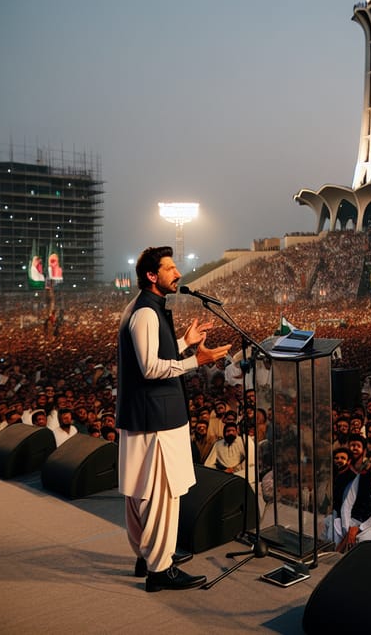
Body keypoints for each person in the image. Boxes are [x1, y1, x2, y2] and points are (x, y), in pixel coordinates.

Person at [116, 246, 230, 592]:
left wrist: (183, 342)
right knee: (161, 493)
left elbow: (152, 355)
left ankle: (149, 555)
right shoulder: (146, 314)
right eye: (170, 268)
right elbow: (150, 367)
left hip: (146, 415)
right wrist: (199, 359)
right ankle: (159, 569)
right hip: (156, 419)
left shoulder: (142, 308)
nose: (177, 274)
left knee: (142, 492)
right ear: (152, 276)